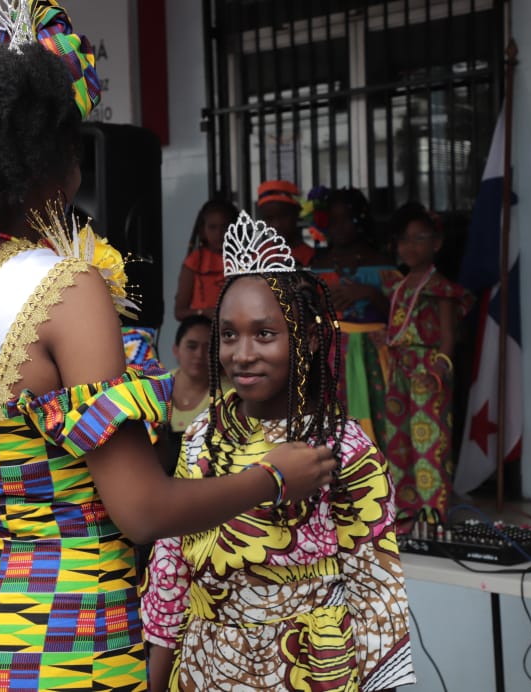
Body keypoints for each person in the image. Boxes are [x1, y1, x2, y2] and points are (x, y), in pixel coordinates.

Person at [0, 8, 335, 691]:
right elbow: (141, 510)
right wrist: (277, 476)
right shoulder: (63, 288)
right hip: (63, 643)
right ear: (48, 164)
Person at [142, 211, 415, 691]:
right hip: (207, 666)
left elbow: (376, 595)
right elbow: (170, 567)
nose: (241, 353)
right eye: (229, 334)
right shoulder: (204, 436)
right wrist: (157, 681)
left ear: (308, 339)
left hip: (310, 671)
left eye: (264, 334)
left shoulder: (343, 446)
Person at [384, 203, 472, 527]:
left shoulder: (441, 287)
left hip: (427, 371)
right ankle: (405, 512)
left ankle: (432, 514)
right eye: (403, 239)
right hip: (399, 370)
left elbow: (449, 337)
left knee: (428, 444)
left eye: (419, 238)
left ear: (436, 243)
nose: (410, 246)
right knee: (398, 441)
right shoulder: (398, 285)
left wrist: (440, 368)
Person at [311, 187, 402, 446]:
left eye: (345, 219)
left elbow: (401, 316)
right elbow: (309, 313)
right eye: (333, 220)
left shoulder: (381, 262)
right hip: (332, 353)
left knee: (379, 414)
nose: (338, 227)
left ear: (361, 220)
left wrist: (370, 294)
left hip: (375, 353)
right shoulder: (319, 265)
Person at [173, 198, 238, 320]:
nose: (219, 233)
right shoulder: (194, 262)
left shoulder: (246, 260)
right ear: (203, 230)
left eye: (224, 227)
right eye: (212, 227)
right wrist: (203, 312)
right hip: (203, 330)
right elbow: (179, 312)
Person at [166, 315, 215, 473]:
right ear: (176, 350)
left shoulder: (228, 394)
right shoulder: (154, 386)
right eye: (191, 346)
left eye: (208, 348)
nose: (199, 355)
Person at [257, 179, 314, 266]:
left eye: (283, 216)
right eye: (269, 218)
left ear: (296, 213)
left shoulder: (312, 258)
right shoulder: (259, 255)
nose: (276, 224)